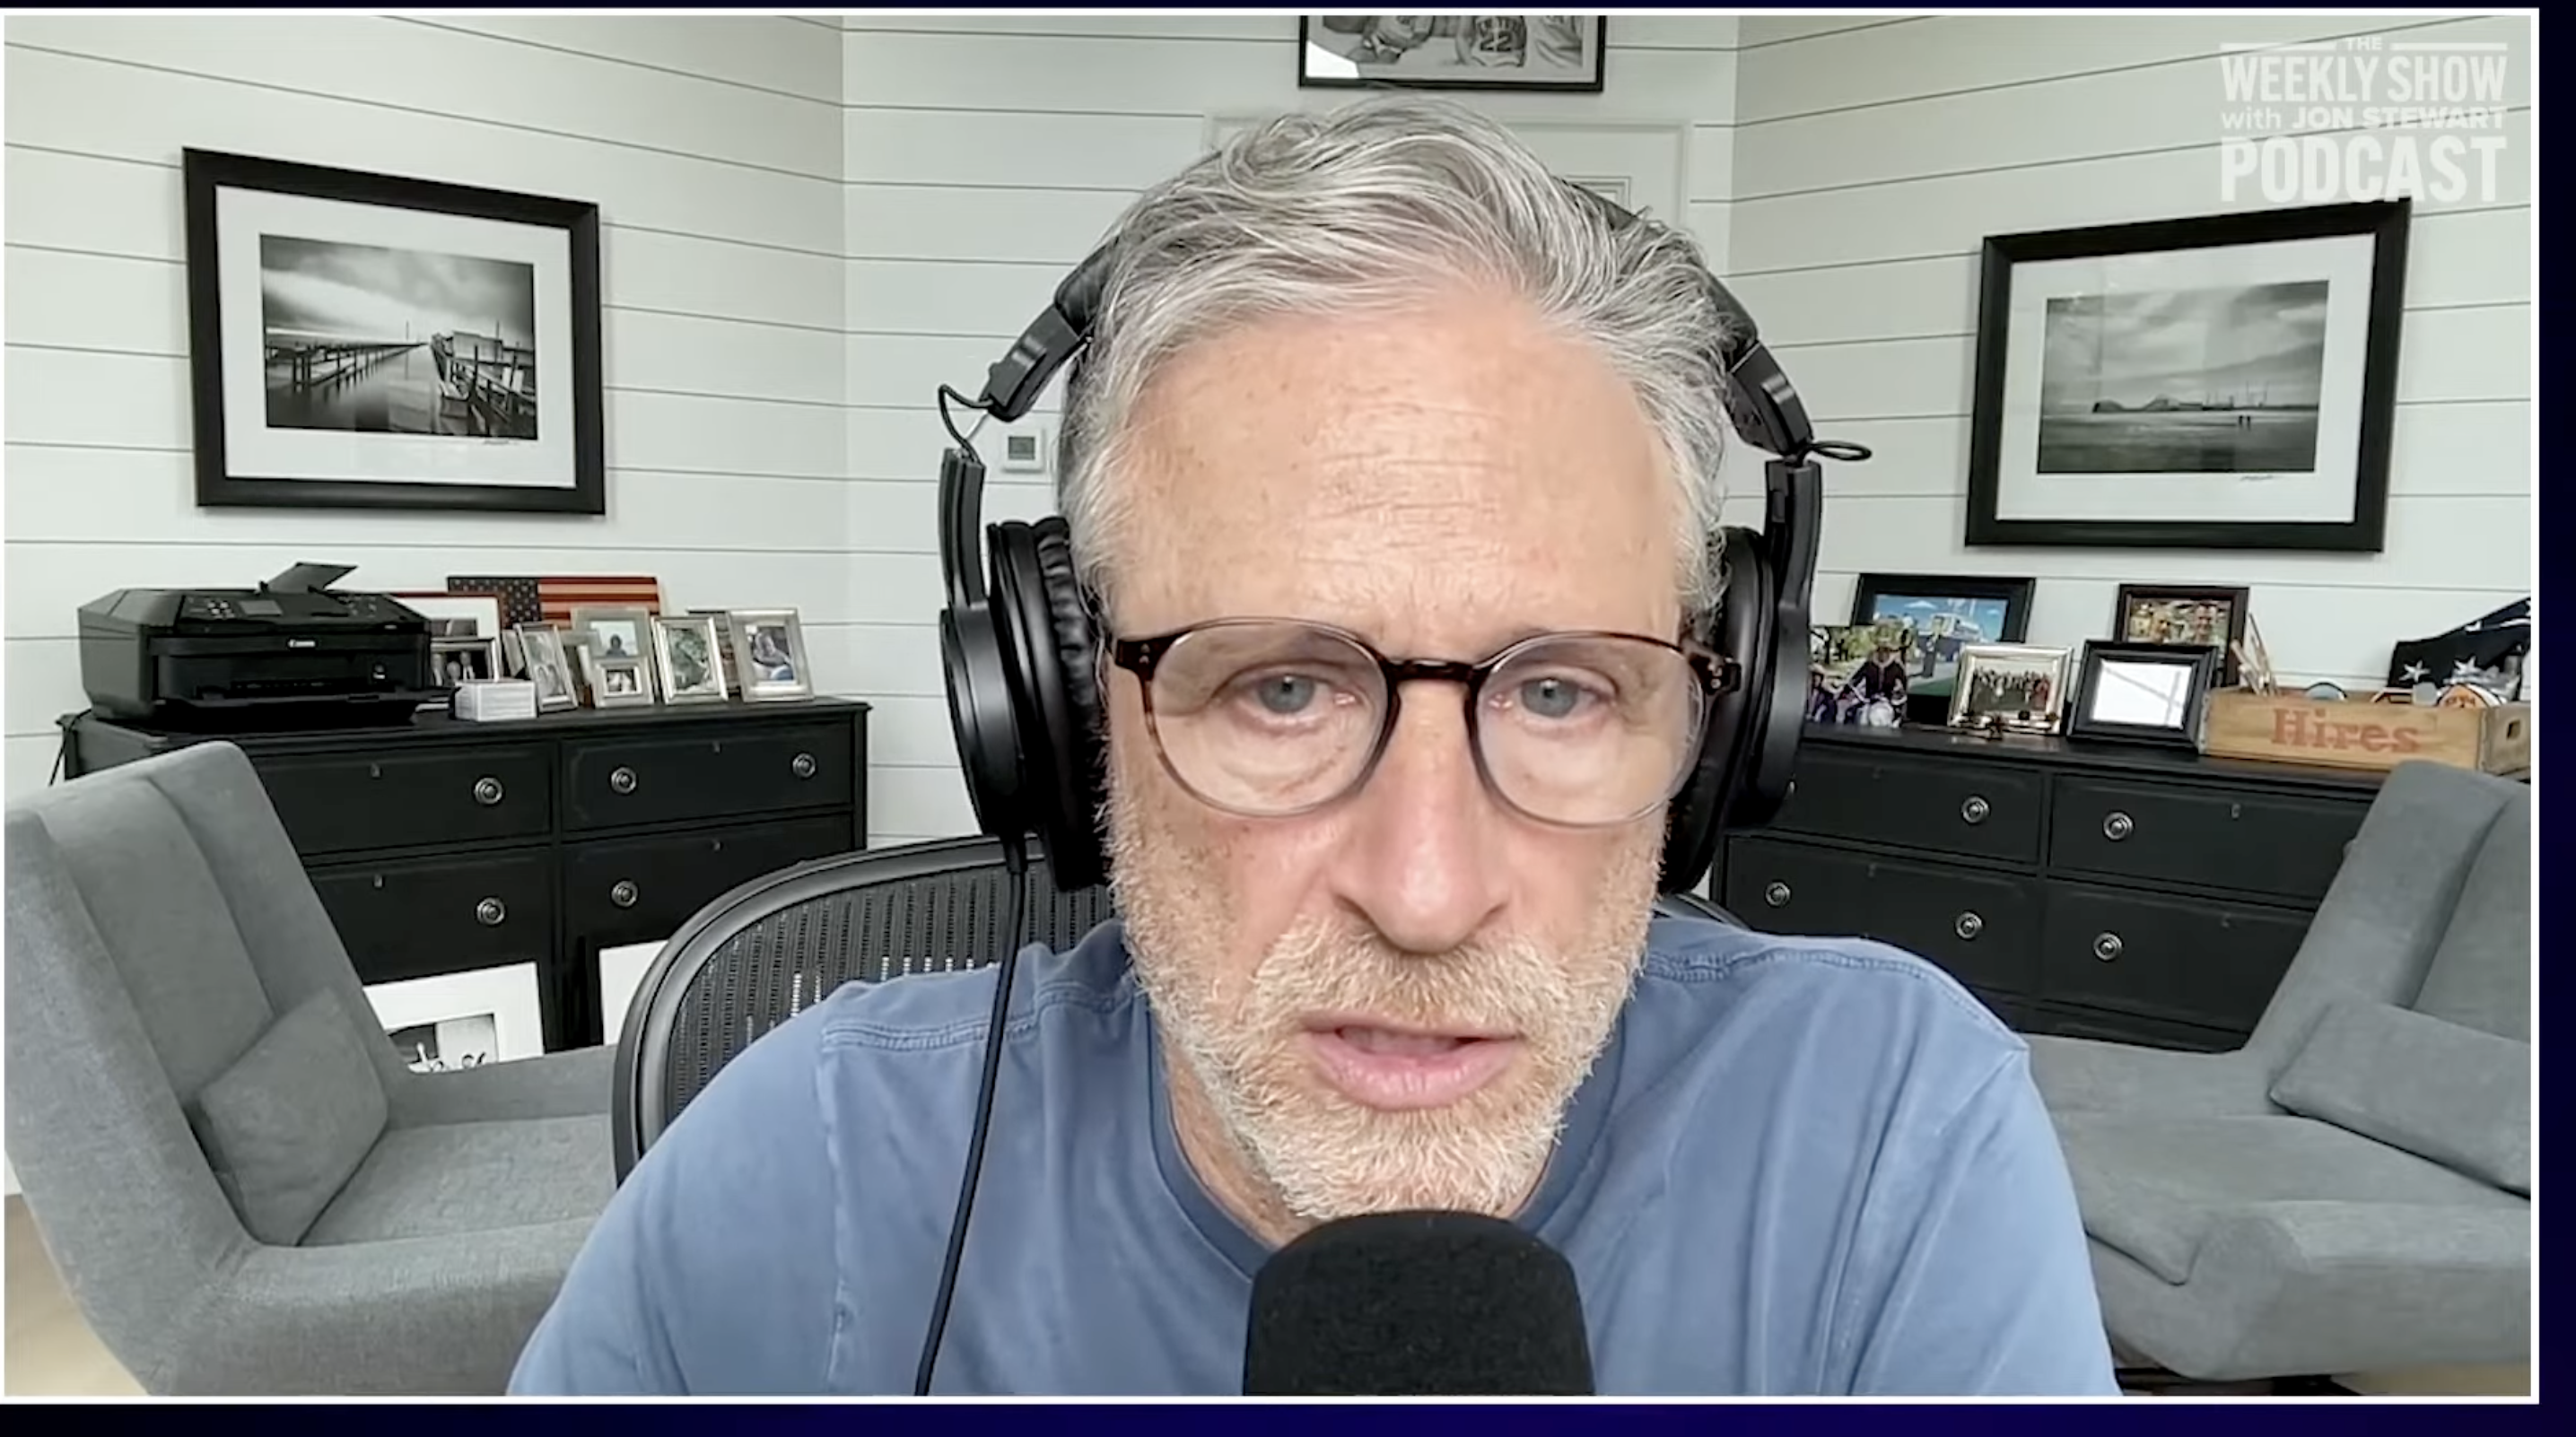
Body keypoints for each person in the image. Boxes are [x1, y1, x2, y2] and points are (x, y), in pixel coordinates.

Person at [509, 98, 2115, 1398]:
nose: (1426, 891)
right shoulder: (809, 1167)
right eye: (1281, 687)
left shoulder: (1896, 1136)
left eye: (1561, 691)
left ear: (1718, 730)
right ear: (1064, 715)